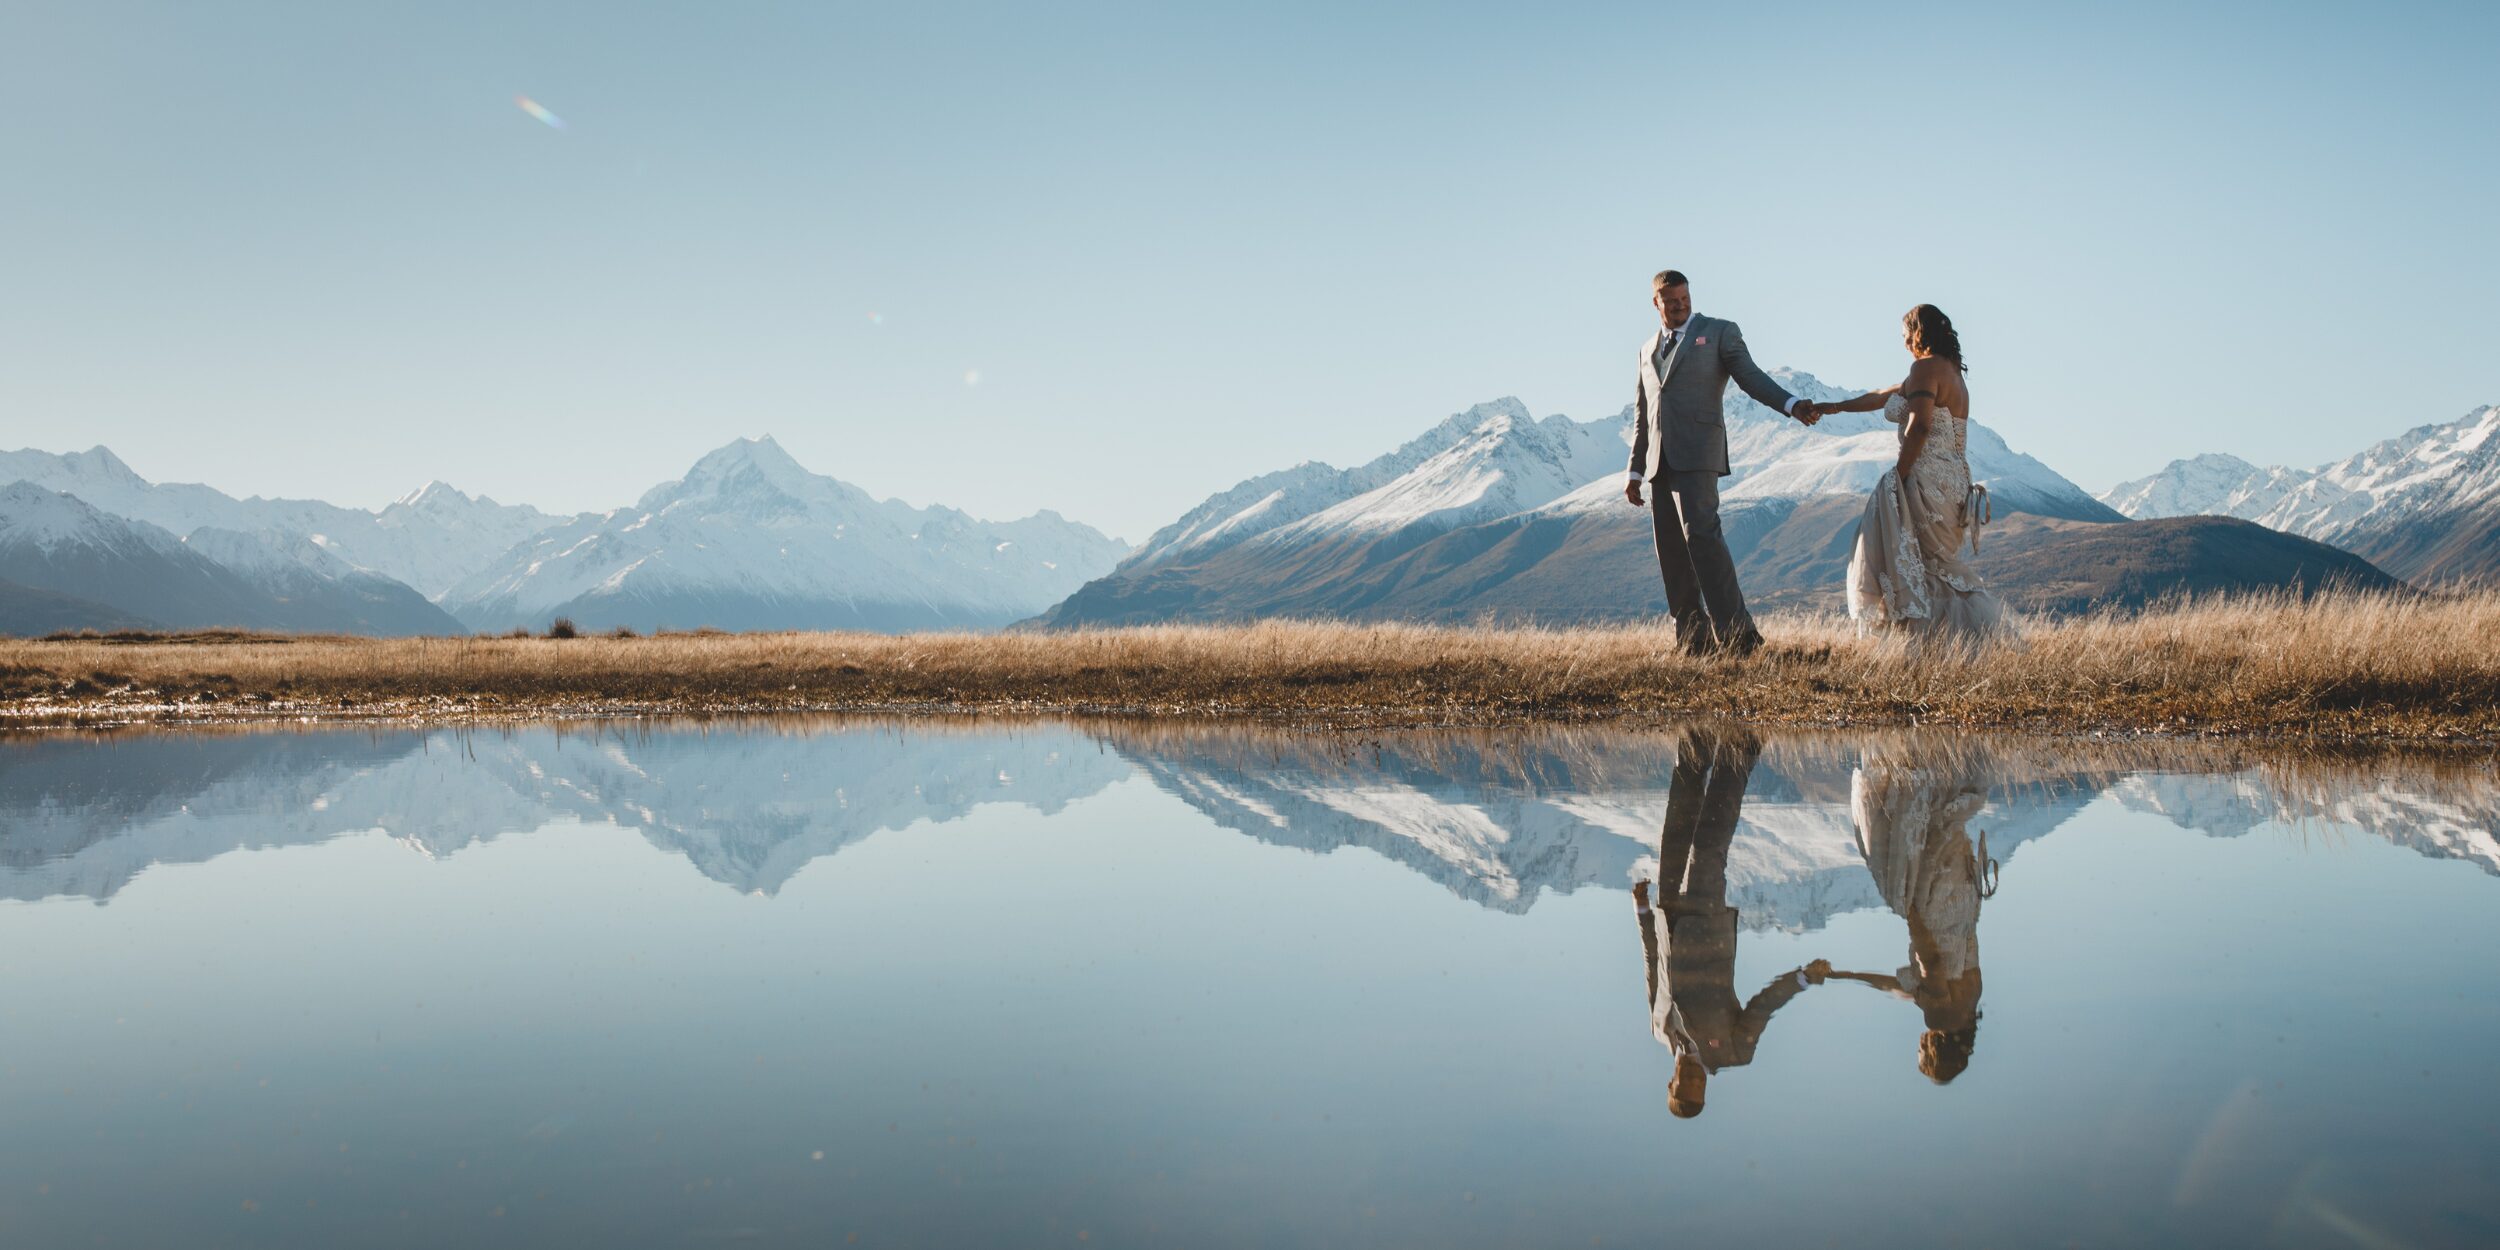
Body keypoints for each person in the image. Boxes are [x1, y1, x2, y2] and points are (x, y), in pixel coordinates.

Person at [1630, 726, 1830, 1117]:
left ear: (1671, 1083)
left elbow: (1653, 969)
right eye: (1698, 1087)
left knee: (1677, 826)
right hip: (1707, 922)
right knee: (1707, 845)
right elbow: (1764, 1005)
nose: (1694, 1080)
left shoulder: (1660, 1031)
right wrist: (1802, 978)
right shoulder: (1735, 1052)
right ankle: (1743, 740)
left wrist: (1642, 912)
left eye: (1684, 1085)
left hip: (1669, 916)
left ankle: (1698, 736)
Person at [1623, 270, 1822, 656]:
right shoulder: (1646, 350)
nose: (1680, 306)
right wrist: (1634, 470)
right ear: (1656, 303)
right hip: (1658, 464)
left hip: (1699, 452)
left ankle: (1737, 636)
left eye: (1685, 298)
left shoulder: (1719, 332)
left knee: (1703, 538)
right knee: (1671, 550)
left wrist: (1791, 404)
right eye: (1672, 301)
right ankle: (1693, 641)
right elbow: (1642, 413)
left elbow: (1751, 377)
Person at [1806, 305, 2016, 644]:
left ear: (1918, 333)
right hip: (1955, 483)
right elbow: (1883, 395)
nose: (1904, 343)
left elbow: (1919, 427)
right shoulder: (1950, 373)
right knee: (1934, 564)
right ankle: (1957, 644)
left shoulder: (1923, 368)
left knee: (1919, 563)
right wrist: (1837, 406)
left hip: (1925, 480)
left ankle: (1931, 645)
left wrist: (1898, 478)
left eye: (1905, 335)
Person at [1821, 749, 1998, 1084]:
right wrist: (1910, 913)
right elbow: (1930, 963)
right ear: (1934, 1051)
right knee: (1906, 845)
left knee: (1943, 828)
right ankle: (1911, 760)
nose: (1917, 1047)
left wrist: (1842, 975)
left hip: (1963, 902)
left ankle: (1936, 755)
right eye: (1921, 1054)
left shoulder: (1971, 1000)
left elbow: (1899, 988)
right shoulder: (1938, 1017)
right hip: (1934, 914)